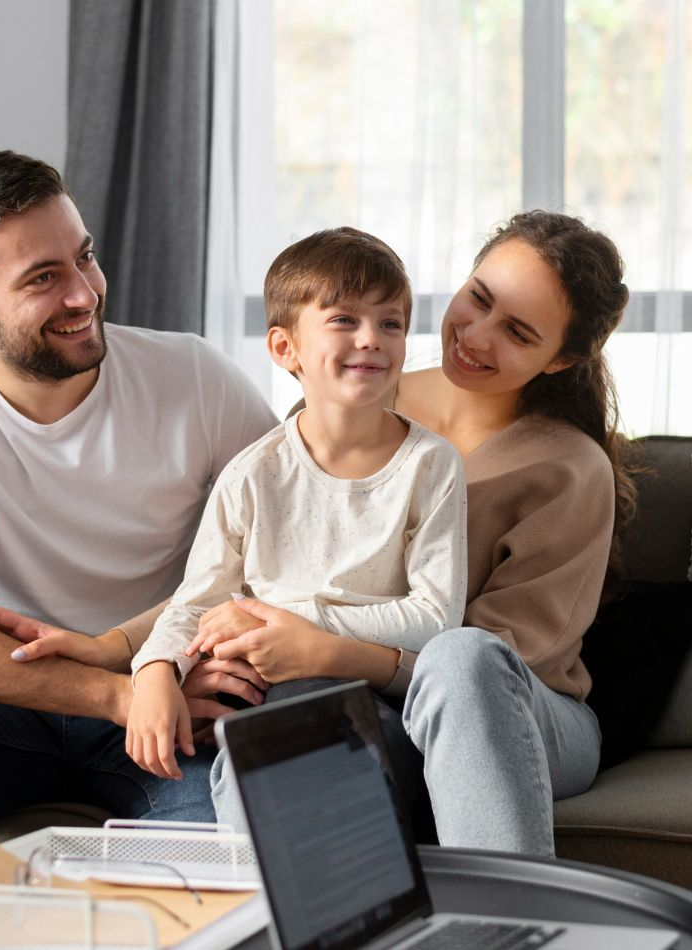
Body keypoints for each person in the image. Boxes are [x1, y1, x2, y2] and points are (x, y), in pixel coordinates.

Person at [0, 149, 278, 885]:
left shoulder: (194, 379)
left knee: (205, 871)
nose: (84, 294)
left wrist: (163, 667)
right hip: (0, 705)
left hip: (161, 699)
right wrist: (110, 693)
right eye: (42, 278)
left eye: (85, 258)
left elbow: (286, 549)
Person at [202, 210, 632, 855]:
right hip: (369, 702)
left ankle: (506, 925)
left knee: (462, 660)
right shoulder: (355, 395)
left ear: (562, 357)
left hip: (520, 711)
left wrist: (324, 648)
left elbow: (495, 665)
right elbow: (237, 568)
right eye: (478, 300)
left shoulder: (570, 470)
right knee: (281, 735)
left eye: (517, 332)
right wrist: (126, 648)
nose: (477, 337)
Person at [125, 227, 468, 808]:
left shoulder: (431, 465)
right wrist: (155, 670)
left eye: (390, 323)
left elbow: (435, 620)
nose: (372, 339)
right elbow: (198, 601)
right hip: (264, 688)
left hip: (377, 692)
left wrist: (292, 622)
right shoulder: (252, 473)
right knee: (244, 762)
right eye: (344, 320)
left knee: (324, 758)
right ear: (286, 348)